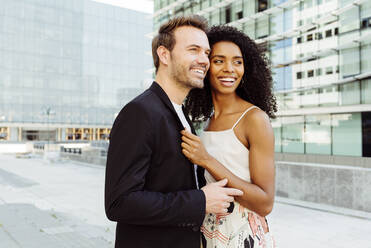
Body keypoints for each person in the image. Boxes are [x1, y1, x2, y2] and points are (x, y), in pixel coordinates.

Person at [104, 16, 243, 248]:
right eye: (193, 50)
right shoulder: (140, 112)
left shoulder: (181, 113)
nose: (204, 60)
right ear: (164, 55)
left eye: (206, 53)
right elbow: (119, 202)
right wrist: (200, 200)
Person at [182, 25, 277, 248]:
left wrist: (207, 160)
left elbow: (265, 203)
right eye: (219, 61)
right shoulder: (206, 122)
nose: (229, 69)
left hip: (242, 236)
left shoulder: (254, 119)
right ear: (206, 66)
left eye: (237, 61)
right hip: (208, 234)